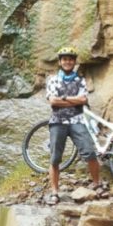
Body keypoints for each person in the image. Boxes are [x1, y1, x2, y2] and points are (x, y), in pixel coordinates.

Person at [44, 46, 106, 205]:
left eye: (70, 59)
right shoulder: (52, 79)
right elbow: (52, 101)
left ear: (74, 62)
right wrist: (73, 100)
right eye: (64, 59)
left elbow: (83, 100)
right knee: (55, 158)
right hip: (58, 121)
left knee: (90, 153)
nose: (67, 62)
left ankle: (97, 184)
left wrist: (63, 98)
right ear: (60, 61)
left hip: (78, 121)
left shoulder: (80, 80)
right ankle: (55, 192)